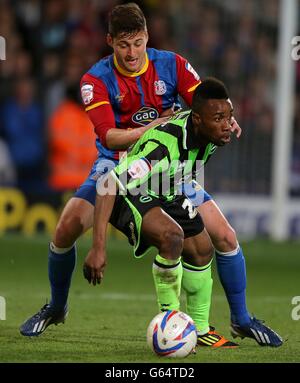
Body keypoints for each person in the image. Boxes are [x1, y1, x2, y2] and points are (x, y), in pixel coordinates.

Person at [20, 3, 282, 347]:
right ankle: (56, 306)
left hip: (169, 170)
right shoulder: (94, 80)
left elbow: (206, 101)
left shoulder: (172, 65)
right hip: (116, 164)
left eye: (139, 43)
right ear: (110, 41)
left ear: (147, 37)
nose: (132, 52)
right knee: (66, 228)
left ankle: (241, 319)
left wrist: (226, 116)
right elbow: (109, 136)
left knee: (226, 237)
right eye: (123, 45)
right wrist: (156, 127)